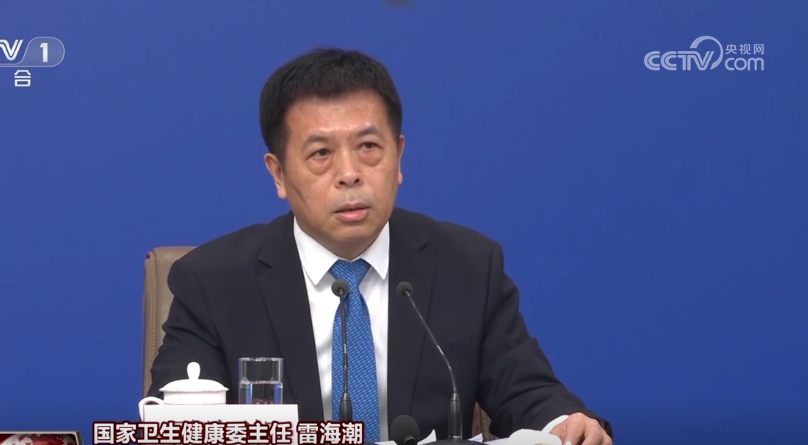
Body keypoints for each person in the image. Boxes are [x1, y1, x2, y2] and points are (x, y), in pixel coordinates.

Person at [148, 48, 614, 445]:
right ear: (279, 174)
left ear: (399, 156)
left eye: (369, 147)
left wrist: (564, 423)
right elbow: (179, 421)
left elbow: (527, 392)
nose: (350, 174)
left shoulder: (468, 267)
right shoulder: (213, 283)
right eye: (321, 153)